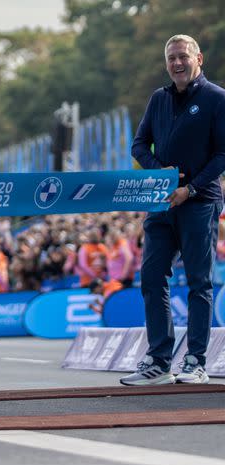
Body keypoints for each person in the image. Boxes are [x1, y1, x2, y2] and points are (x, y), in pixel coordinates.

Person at [121, 35, 225, 386]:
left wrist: (189, 188)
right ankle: (158, 360)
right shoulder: (159, 98)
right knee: (152, 278)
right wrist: (161, 174)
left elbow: (223, 155)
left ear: (198, 57)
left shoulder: (216, 98)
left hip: (200, 201)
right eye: (171, 58)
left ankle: (196, 361)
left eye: (183, 56)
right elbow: (138, 143)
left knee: (199, 282)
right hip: (161, 202)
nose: (177, 63)